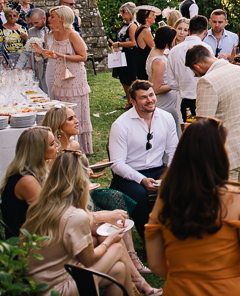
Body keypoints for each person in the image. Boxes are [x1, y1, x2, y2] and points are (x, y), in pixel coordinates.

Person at [145, 117, 240, 294]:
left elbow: (154, 262)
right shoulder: (239, 198)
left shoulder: (166, 196)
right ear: (219, 153)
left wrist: (184, 280)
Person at [24, 151, 158, 296]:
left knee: (119, 269)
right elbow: (89, 260)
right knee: (117, 247)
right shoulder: (76, 216)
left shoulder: (40, 207)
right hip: (56, 288)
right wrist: (110, 240)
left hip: (35, 282)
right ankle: (136, 285)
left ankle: (135, 286)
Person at [109, 80, 179, 238]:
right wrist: (141, 179)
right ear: (132, 101)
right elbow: (117, 164)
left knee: (182, 186)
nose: (150, 100)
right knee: (140, 195)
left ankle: (176, 235)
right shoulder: (121, 125)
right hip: (129, 175)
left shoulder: (166, 118)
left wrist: (171, 173)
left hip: (158, 169)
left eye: (151, 95)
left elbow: (174, 150)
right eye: (143, 97)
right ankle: (151, 240)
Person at [189, 45, 240, 183]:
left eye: (194, 72)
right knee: (237, 201)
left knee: (222, 203)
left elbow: (203, 127)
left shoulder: (207, 81)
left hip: (221, 156)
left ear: (197, 66)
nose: (196, 75)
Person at [35, 6, 93, 154]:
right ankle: (64, 143)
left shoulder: (73, 34)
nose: (49, 19)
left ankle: (79, 146)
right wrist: (41, 51)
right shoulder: (52, 34)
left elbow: (83, 57)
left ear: (61, 18)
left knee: (75, 109)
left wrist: (62, 56)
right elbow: (53, 54)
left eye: (53, 16)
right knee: (62, 108)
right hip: (60, 74)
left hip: (74, 76)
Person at [1, 126, 57, 238]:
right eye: (52, 144)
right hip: (26, 244)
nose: (57, 145)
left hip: (39, 233)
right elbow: (47, 215)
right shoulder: (27, 181)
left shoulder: (35, 172)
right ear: (38, 152)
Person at [165, 15, 212, 124]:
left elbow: (171, 83)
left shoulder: (174, 50)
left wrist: (183, 85)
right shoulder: (207, 49)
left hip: (185, 99)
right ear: (205, 32)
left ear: (189, 30)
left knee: (189, 135)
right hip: (204, 100)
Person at [146, 26, 177, 123]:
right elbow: (157, 88)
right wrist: (176, 83)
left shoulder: (154, 52)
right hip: (165, 103)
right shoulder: (159, 61)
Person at [108, 2, 138, 97]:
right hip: (123, 54)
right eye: (121, 11)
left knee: (130, 78)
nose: (122, 13)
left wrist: (118, 44)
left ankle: (132, 99)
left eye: (124, 11)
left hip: (131, 55)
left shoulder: (132, 26)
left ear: (131, 12)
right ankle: (129, 99)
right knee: (123, 78)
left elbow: (133, 42)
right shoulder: (125, 25)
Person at [27, 7, 50, 92]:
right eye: (32, 23)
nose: (34, 25)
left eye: (36, 23)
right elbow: (27, 51)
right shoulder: (31, 31)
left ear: (44, 19)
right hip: (39, 65)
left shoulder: (52, 29)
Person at [133, 8, 156, 81]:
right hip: (144, 62)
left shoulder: (139, 29)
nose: (155, 17)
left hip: (140, 61)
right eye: (152, 15)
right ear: (146, 18)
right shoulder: (145, 31)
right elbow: (154, 47)